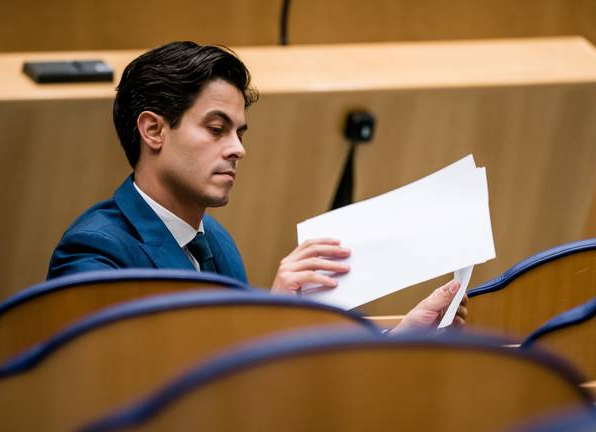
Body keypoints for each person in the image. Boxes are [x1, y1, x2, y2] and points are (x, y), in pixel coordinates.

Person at [48, 41, 467, 332]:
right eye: (216, 129)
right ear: (154, 130)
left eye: (240, 133)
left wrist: (407, 334)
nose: (237, 149)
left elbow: (250, 384)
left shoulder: (217, 241)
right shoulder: (95, 250)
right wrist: (270, 311)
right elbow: (113, 386)